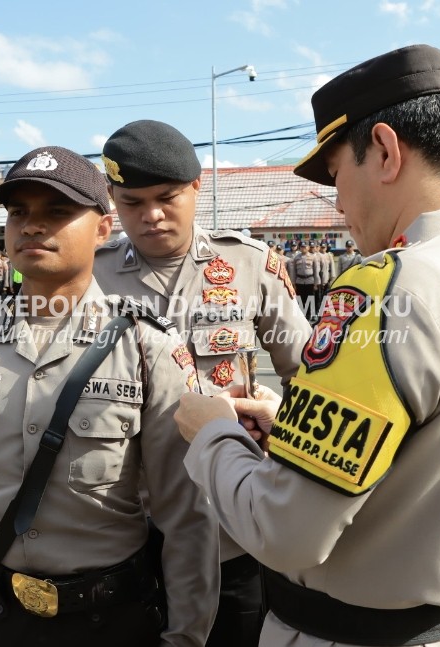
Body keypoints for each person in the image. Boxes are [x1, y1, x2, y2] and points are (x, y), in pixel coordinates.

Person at [173, 44, 440, 647]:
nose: (338, 204)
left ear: (384, 150)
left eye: (335, 175)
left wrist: (213, 433)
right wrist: (296, 426)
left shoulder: (383, 289)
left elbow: (284, 531)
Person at [0, 145, 219, 647]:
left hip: (113, 620)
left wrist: (184, 637)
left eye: (58, 212)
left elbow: (186, 514)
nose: (33, 226)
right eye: (19, 213)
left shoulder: (147, 348)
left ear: (103, 228)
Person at [94, 119, 312, 647]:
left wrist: (277, 412)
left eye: (167, 197)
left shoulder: (249, 264)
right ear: (112, 200)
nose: (150, 215)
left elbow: (308, 377)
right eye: (131, 202)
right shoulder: (90, 277)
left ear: (196, 187)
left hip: (230, 519)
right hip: (127, 518)